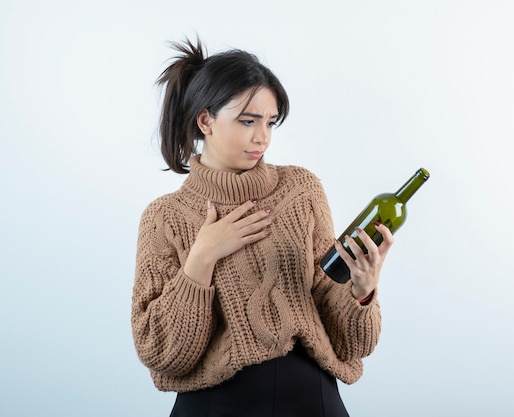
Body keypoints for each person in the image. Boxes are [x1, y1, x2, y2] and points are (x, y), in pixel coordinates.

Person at [131, 37, 395, 417]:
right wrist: (202, 257)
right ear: (205, 120)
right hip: (213, 406)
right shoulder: (164, 218)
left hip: (312, 401)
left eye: (270, 122)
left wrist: (362, 291)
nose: (263, 137)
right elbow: (160, 352)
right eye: (248, 121)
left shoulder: (301, 191)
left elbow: (350, 342)